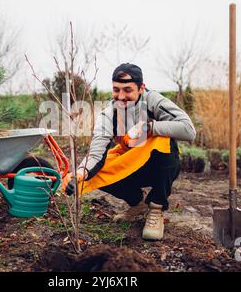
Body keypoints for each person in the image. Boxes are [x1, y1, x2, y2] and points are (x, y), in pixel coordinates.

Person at [64, 63, 196, 240]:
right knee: (98, 171)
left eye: (127, 90)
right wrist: (80, 173)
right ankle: (137, 204)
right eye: (116, 90)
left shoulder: (153, 101)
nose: (121, 96)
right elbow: (96, 154)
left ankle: (156, 209)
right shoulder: (108, 115)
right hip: (131, 165)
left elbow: (189, 130)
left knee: (164, 140)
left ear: (141, 87)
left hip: (158, 165)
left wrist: (151, 128)